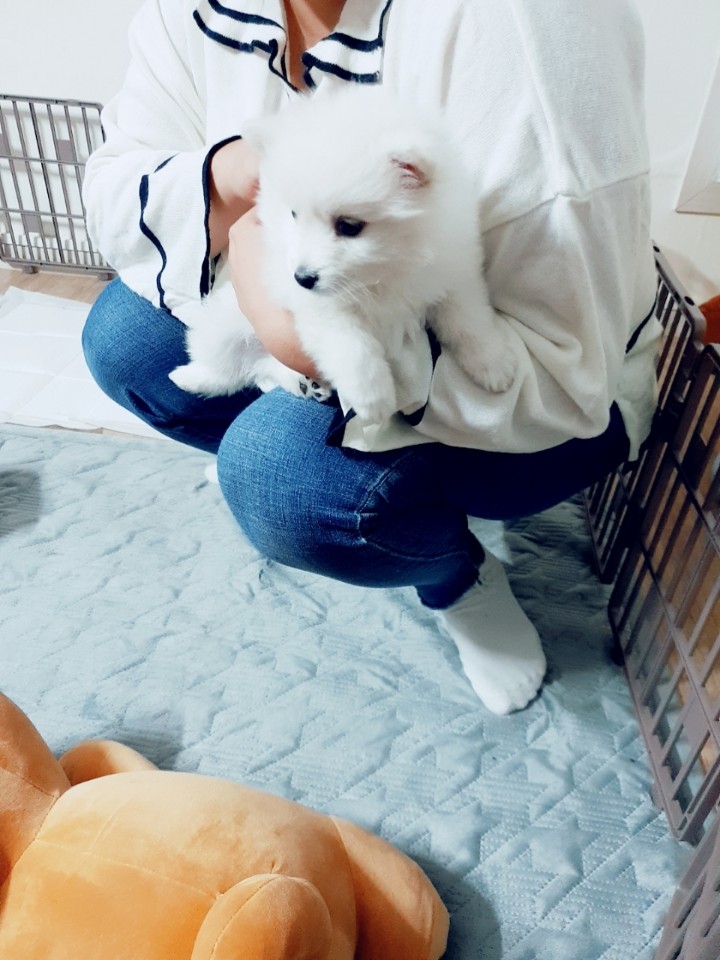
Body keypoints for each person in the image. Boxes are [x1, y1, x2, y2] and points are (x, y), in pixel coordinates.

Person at [81, 0, 661, 715]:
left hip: (555, 400)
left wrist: (292, 331)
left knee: (278, 476)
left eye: (348, 224)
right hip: (338, 310)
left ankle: (453, 576)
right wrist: (238, 176)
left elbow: (547, 366)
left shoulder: (524, 27)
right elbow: (119, 188)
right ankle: (340, 464)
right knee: (127, 341)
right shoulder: (200, 17)